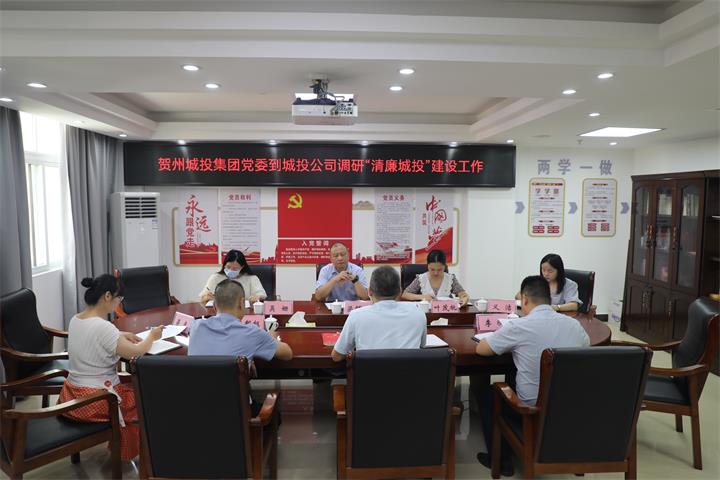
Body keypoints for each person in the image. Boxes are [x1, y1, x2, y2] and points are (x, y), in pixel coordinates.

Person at [474, 275, 590, 476]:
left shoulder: (519, 326)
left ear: (524, 299)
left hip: (532, 408)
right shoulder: (575, 326)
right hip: (569, 405)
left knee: (486, 392)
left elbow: (482, 349)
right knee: (514, 373)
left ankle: (502, 461)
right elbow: (585, 348)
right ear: (549, 299)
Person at [58, 274, 164, 462]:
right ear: (107, 296)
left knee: (134, 385)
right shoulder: (104, 328)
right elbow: (135, 352)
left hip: (72, 396)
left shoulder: (76, 319)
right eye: (119, 299)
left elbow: (94, 334)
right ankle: (150, 454)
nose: (119, 303)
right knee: (147, 396)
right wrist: (152, 337)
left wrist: (121, 334)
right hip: (96, 401)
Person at [189, 279, 293, 414]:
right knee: (274, 413)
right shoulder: (252, 333)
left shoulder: (195, 327)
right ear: (241, 303)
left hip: (197, 410)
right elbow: (287, 354)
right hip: (236, 414)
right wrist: (270, 338)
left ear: (214, 305)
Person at [331, 266, 427, 362]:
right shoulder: (418, 314)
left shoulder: (356, 316)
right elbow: (422, 346)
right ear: (400, 291)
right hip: (408, 371)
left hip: (370, 371)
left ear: (370, 291)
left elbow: (336, 356)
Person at [401, 249, 470, 306]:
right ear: (428, 266)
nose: (436, 273)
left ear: (444, 266)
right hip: (427, 313)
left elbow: (462, 293)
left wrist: (464, 298)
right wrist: (422, 297)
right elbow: (405, 295)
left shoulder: (450, 278)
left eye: (439, 270)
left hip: (445, 313)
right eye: (432, 269)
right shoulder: (421, 278)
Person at [200, 249, 267, 304]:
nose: (230, 270)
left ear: (242, 267)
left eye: (235, 269)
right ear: (224, 265)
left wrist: (258, 297)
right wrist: (206, 297)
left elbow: (262, 295)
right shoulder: (215, 278)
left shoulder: (251, 278)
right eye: (228, 267)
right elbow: (203, 297)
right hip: (220, 312)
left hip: (244, 312)